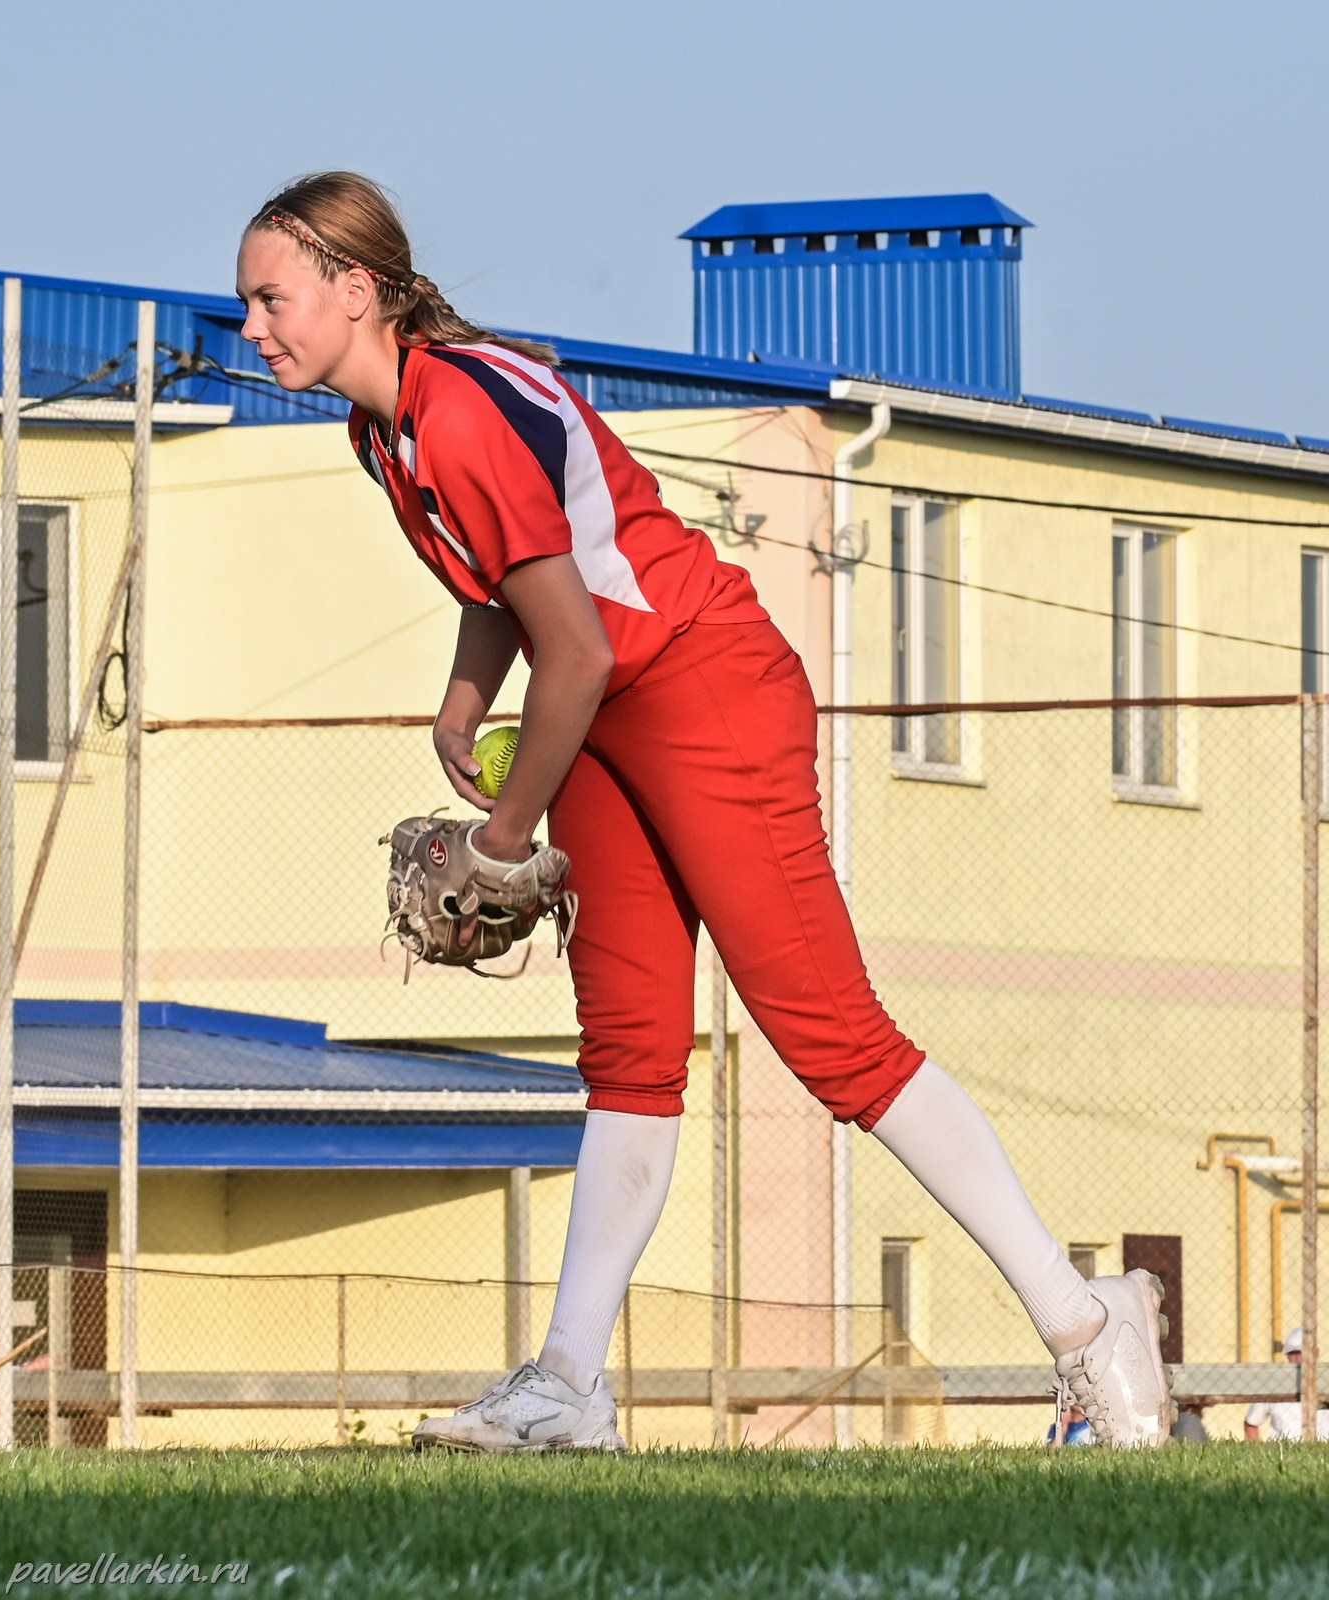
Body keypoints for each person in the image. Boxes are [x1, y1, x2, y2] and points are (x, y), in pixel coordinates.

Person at [233, 172, 1171, 1451]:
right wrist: (464, 701)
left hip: (700, 685)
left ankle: (1084, 1323)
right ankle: (569, 1382)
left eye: (269, 298)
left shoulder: (452, 411)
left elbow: (572, 646)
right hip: (615, 703)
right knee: (627, 1045)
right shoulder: (388, 423)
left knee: (832, 1039)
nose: (252, 327)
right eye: (248, 304)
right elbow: (515, 579)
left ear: (357, 290)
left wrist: (507, 836)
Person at [1244, 1329, 1328, 1441]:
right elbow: (1251, 1423)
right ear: (1287, 1356)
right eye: (1293, 1353)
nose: (1298, 1358)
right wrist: (1257, 1452)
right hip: (1284, 1452)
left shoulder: (1326, 1382)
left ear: (1316, 1353)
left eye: (1303, 1352)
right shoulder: (1273, 1385)